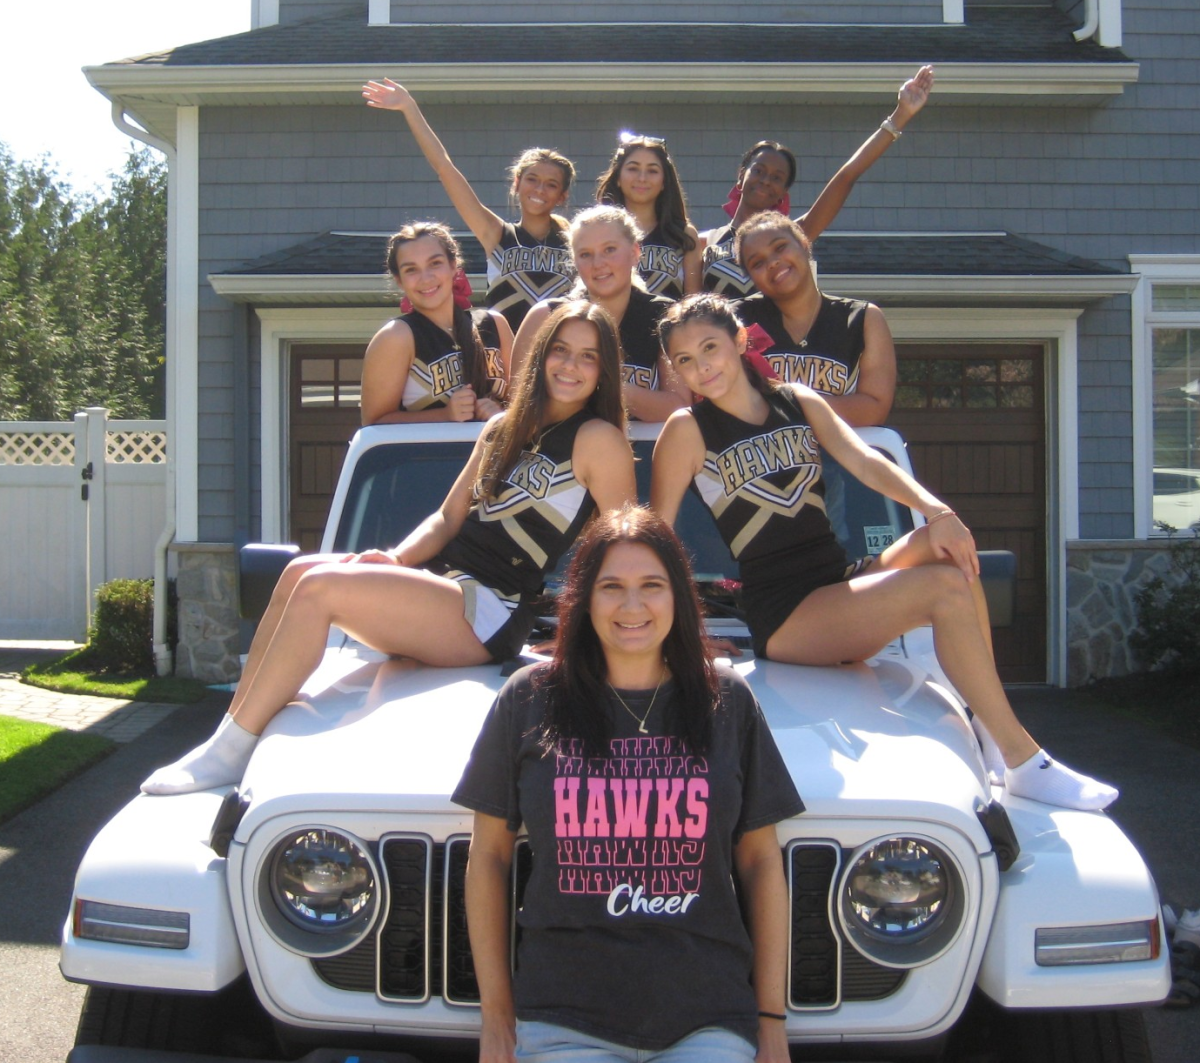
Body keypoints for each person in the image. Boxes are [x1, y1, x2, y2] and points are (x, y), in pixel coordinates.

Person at [142, 302, 636, 796]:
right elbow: (447, 519)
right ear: (542, 355)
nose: (571, 366)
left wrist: (591, 640)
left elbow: (623, 549)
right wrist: (396, 560)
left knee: (319, 588)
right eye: (561, 350)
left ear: (603, 370)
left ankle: (229, 754)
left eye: (588, 357)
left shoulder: (599, 440)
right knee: (300, 571)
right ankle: (229, 736)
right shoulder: (502, 429)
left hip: (492, 607)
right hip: (445, 585)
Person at [650, 294, 1118, 812]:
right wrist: (682, 633)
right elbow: (658, 537)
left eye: (710, 347)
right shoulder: (687, 430)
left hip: (838, 583)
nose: (701, 367)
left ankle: (990, 734)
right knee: (942, 588)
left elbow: (866, 463)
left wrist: (937, 511)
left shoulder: (798, 401)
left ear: (740, 341)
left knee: (946, 556)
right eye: (685, 360)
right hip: (786, 616)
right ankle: (1023, 759)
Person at [453, 505, 802, 1063]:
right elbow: (489, 857)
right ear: (584, 598)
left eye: (652, 586)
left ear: (678, 599)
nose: (633, 606)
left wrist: (772, 1021)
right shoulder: (529, 697)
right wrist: (496, 1016)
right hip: (562, 1020)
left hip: (708, 1020)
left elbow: (761, 862)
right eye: (612, 586)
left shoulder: (727, 701)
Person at [702, 65, 935, 298]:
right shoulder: (703, 242)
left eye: (776, 178)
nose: (765, 181)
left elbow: (846, 177)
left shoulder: (793, 236)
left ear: (783, 193)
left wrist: (900, 116)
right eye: (759, 171)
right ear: (741, 175)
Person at [363, 78, 576, 331]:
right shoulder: (498, 234)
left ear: (562, 196)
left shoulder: (575, 242)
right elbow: (445, 168)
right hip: (503, 355)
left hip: (559, 357)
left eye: (551, 184)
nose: (539, 189)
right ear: (517, 183)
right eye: (532, 179)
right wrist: (410, 108)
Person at [514, 206, 691, 422]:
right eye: (585, 254)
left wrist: (605, 383)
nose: (598, 264)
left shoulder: (665, 316)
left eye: (609, 250)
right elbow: (518, 403)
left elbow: (679, 407)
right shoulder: (545, 316)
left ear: (635, 253)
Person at [735, 212, 893, 427]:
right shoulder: (735, 321)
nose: (772, 262)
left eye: (780, 247)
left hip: (838, 456)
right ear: (750, 277)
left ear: (804, 244)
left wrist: (782, 409)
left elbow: (874, 409)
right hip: (761, 457)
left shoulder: (863, 318)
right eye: (757, 263)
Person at [360, 222, 513, 425]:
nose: (426, 278)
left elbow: (530, 406)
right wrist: (444, 415)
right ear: (399, 280)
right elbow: (373, 423)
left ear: (453, 266)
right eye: (411, 270)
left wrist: (501, 411)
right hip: (427, 457)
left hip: (497, 455)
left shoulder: (494, 324)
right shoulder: (396, 337)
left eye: (435, 263)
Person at [595, 133, 702, 300]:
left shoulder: (684, 235)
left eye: (652, 170)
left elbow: (693, 304)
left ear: (664, 182)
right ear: (617, 177)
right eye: (633, 168)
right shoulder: (596, 231)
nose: (642, 178)